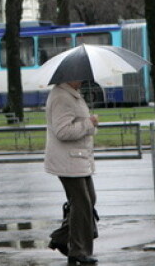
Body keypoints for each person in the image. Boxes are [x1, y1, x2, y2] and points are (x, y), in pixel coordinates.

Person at [45, 80, 99, 265]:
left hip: (78, 158)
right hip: (67, 159)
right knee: (82, 203)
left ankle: (61, 238)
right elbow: (62, 131)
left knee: (88, 200)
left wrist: (87, 123)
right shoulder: (62, 97)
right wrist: (88, 124)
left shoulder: (71, 94)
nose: (83, 79)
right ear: (69, 76)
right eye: (80, 76)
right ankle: (78, 250)